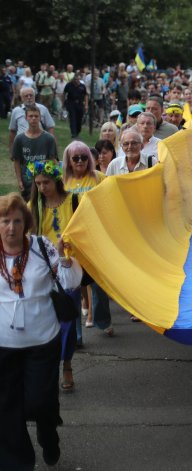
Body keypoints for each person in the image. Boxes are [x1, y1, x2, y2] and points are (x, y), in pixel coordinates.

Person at [0, 193, 82, 470]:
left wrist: (65, 258)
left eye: (17, 221)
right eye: (5, 221)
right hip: (4, 346)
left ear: (26, 223)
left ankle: (48, 435)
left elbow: (70, 283)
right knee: (7, 408)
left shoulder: (40, 246)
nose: (11, 228)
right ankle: (18, 462)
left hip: (42, 342)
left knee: (39, 403)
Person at [27, 159, 83, 393]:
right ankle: (48, 365)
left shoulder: (72, 199)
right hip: (44, 268)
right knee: (44, 320)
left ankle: (67, 364)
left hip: (68, 266)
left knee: (68, 320)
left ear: (56, 180)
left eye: (46, 183)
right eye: (38, 184)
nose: (42, 188)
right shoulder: (33, 206)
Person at [62, 141, 110, 335]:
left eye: (84, 157)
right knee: (73, 286)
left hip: (95, 238)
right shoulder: (62, 181)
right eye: (75, 158)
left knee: (98, 284)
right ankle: (76, 336)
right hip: (70, 240)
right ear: (69, 160)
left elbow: (113, 196)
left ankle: (103, 321)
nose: (80, 161)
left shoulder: (98, 177)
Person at [11, 104, 58, 201]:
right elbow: (17, 161)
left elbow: (53, 160)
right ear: (26, 118)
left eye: (36, 116)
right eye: (31, 116)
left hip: (44, 181)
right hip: (27, 182)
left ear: (40, 118)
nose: (33, 119)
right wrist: (19, 181)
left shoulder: (48, 138)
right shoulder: (19, 139)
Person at [7, 87, 56, 153]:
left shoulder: (43, 109)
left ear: (34, 96)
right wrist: (11, 149)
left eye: (31, 95)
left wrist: (52, 145)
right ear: (21, 98)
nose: (29, 97)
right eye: (26, 96)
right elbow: (12, 131)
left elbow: (50, 127)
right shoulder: (16, 111)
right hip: (22, 144)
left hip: (40, 143)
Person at [63, 73, 88, 138]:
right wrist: (64, 102)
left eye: (78, 79)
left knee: (79, 118)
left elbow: (86, 95)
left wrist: (86, 105)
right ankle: (73, 133)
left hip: (80, 103)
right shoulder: (69, 85)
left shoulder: (82, 86)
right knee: (72, 118)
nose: (76, 81)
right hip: (71, 103)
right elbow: (64, 93)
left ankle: (78, 131)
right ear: (73, 79)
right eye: (75, 79)